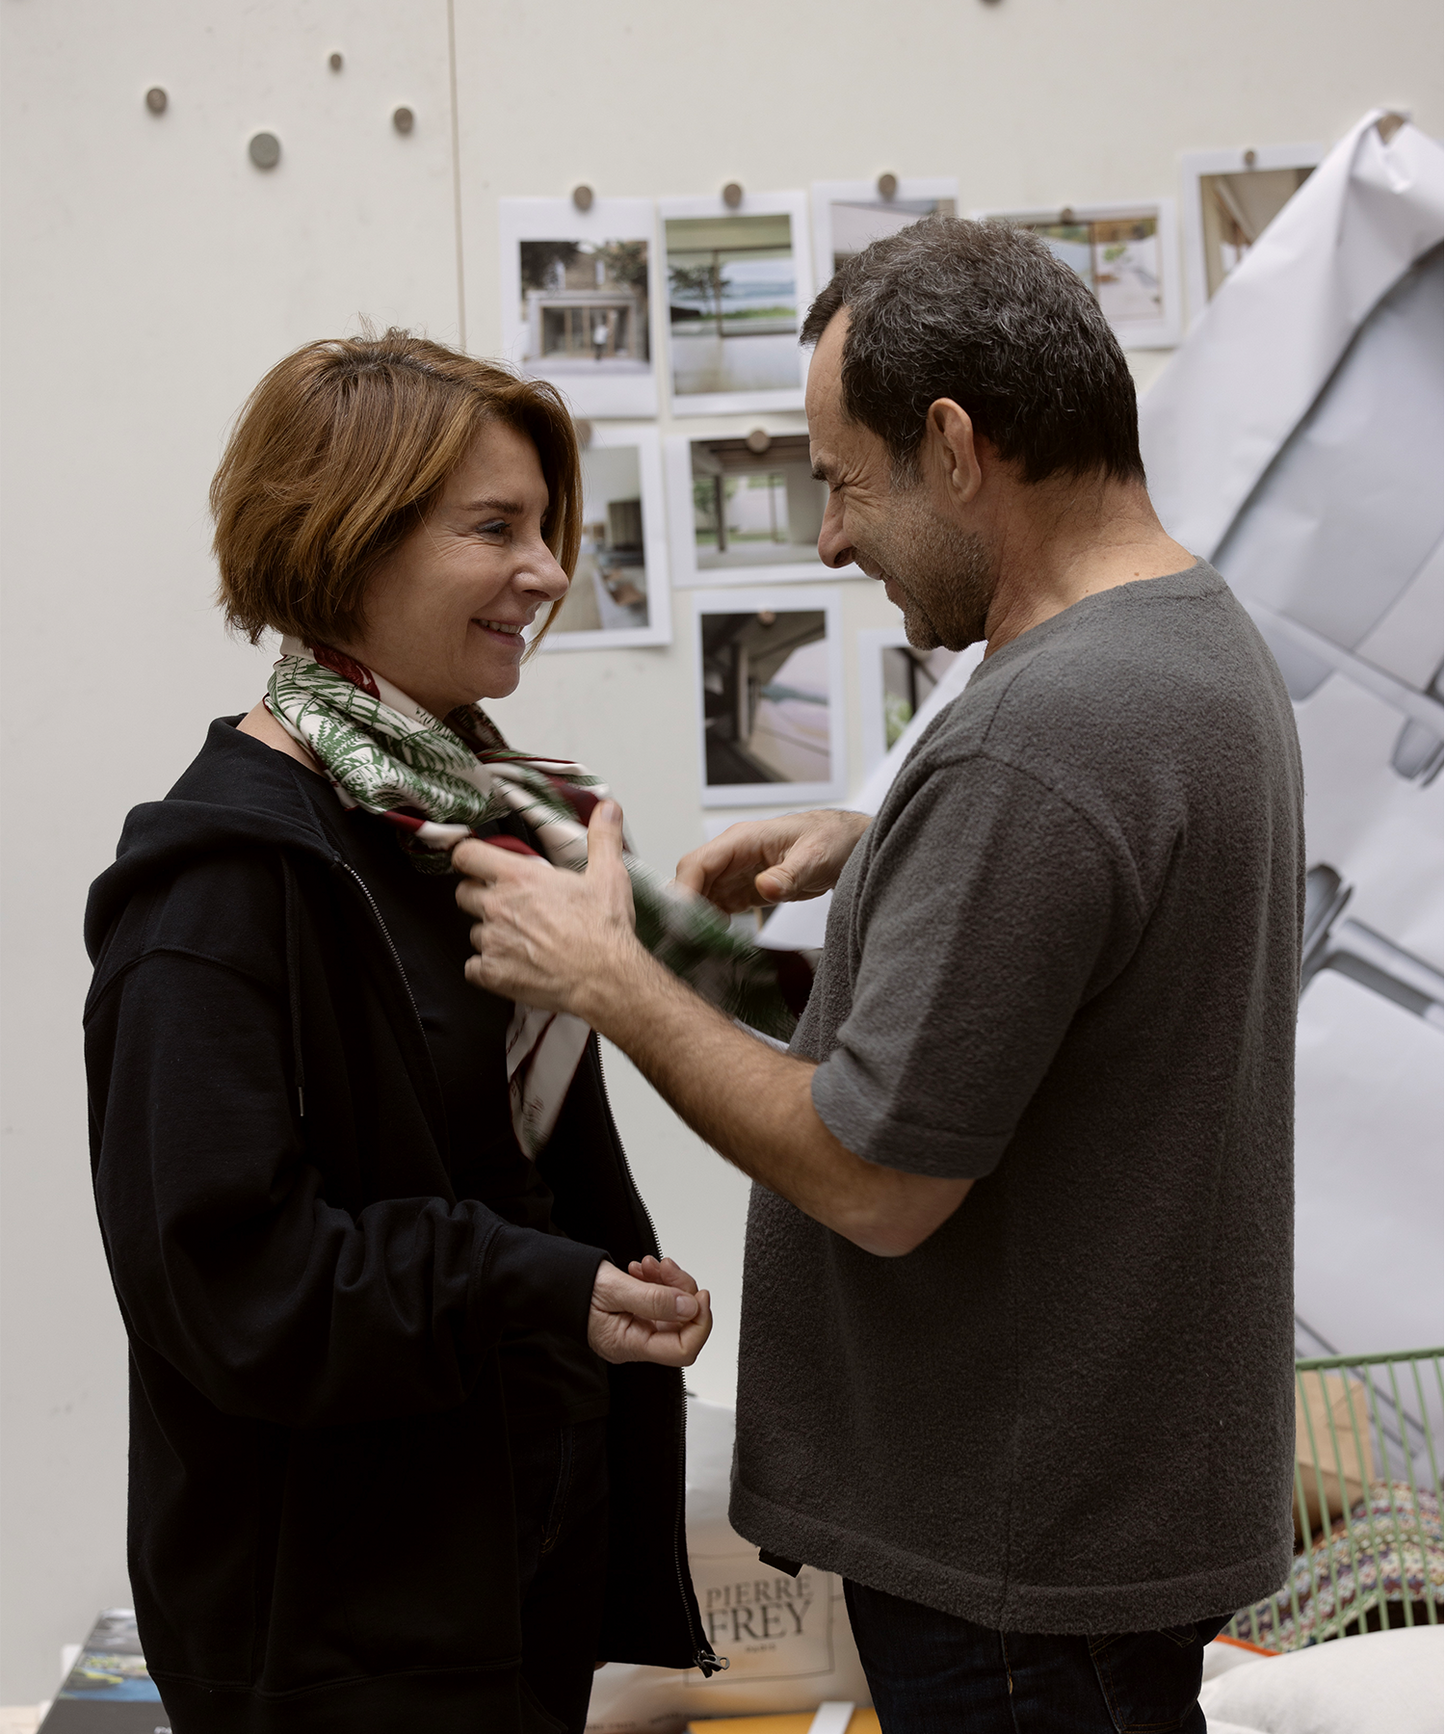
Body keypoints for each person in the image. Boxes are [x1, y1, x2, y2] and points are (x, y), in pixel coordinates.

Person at [454, 217, 1304, 1733]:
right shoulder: (1188, 643)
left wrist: (609, 977)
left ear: (957, 446)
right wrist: (904, 846)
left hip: (1019, 1576)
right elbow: (1119, 920)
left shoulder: (1041, 744)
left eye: (844, 484)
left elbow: (874, 1177)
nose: (834, 542)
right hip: (1099, 1530)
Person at [83, 333, 727, 1734]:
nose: (549, 572)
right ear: (344, 538)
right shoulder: (221, 883)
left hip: (505, 1595)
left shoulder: (468, 830)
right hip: (340, 1646)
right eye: (496, 527)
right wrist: (539, 1286)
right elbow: (234, 1284)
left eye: (548, 528)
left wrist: (600, 1278)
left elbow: (499, 1181)